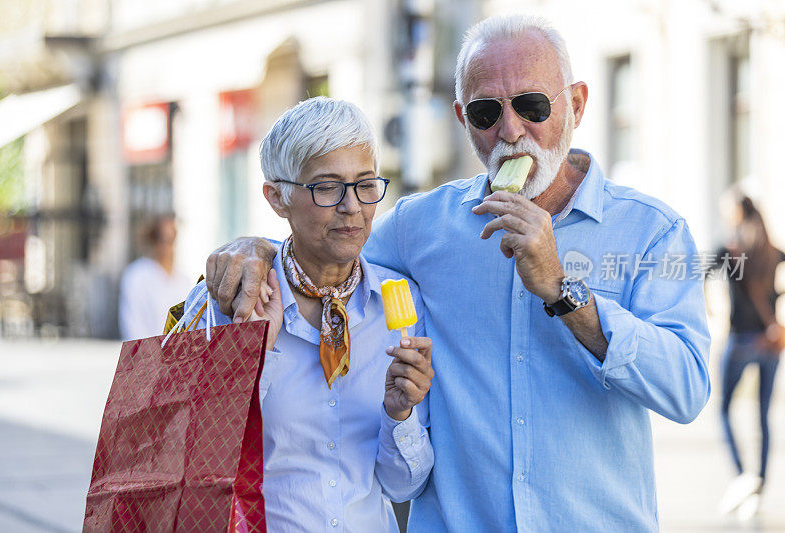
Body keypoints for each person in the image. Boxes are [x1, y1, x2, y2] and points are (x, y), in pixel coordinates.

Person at [203, 15, 711, 531]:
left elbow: (686, 390)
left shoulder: (652, 231)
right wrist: (255, 249)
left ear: (576, 104)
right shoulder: (423, 226)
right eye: (487, 112)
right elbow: (329, 240)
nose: (510, 131)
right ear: (462, 119)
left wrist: (563, 291)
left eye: (532, 106)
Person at [182, 97, 434, 532]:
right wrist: (259, 354)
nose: (352, 206)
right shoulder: (224, 300)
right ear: (277, 197)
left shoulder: (403, 306)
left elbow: (402, 487)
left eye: (365, 184)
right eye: (326, 186)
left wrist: (401, 414)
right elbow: (196, 463)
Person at [713, 191, 784, 520]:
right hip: (769, 344)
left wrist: (709, 311)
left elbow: (695, 274)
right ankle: (759, 484)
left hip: (740, 340)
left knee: (725, 409)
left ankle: (744, 475)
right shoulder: (772, 251)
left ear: (736, 214)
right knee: (763, 417)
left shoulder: (730, 251)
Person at [118, 214, 192, 340]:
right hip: (147, 354)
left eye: (172, 239)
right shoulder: (137, 275)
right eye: (164, 239)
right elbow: (132, 323)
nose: (169, 246)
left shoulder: (183, 280)